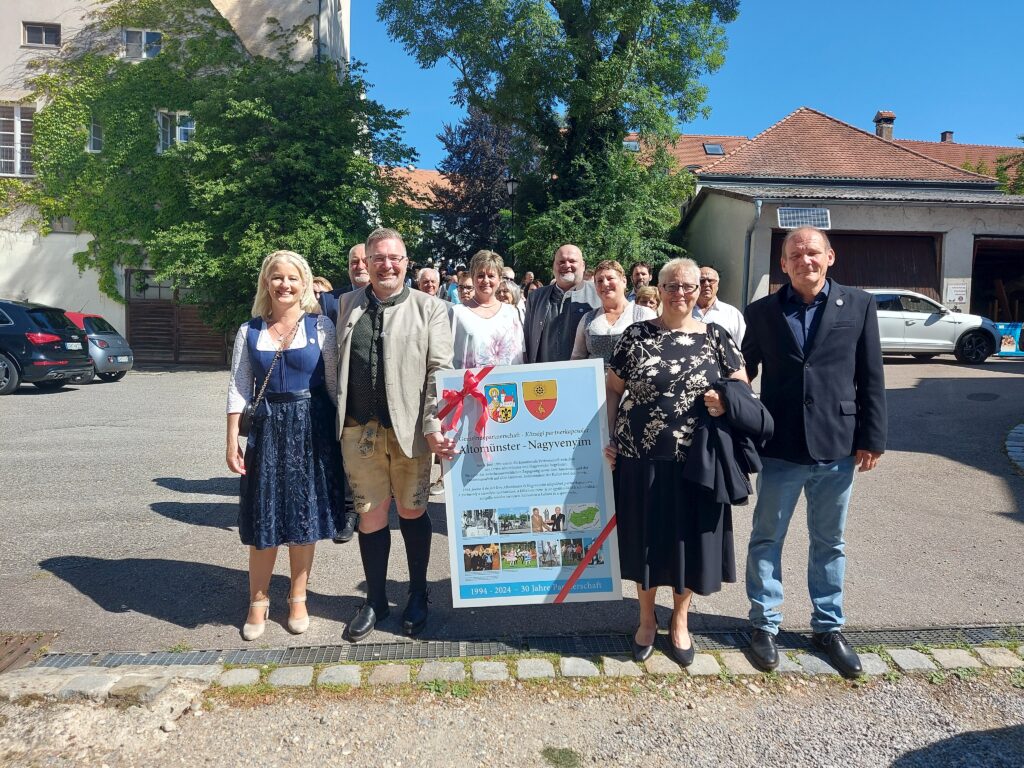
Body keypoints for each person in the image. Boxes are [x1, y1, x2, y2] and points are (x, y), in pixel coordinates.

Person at [742, 226, 887, 679]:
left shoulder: (859, 305)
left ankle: (828, 627)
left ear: (830, 257)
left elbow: (871, 374)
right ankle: (764, 624)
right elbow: (744, 371)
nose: (805, 259)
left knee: (830, 542)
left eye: (812, 252)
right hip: (780, 445)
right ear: (782, 264)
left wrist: (872, 437)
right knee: (767, 538)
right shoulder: (762, 311)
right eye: (795, 254)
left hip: (838, 446)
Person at [604, 257, 748, 666]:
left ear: (701, 288)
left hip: (698, 460)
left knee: (687, 543)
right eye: (672, 286)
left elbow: (742, 387)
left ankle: (680, 620)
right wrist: (610, 436)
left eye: (690, 285)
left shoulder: (717, 337)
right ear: (659, 289)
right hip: (639, 458)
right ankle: (647, 620)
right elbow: (613, 388)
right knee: (646, 542)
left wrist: (725, 401)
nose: (681, 293)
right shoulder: (636, 335)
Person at [335, 227, 457, 641]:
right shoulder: (346, 304)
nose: (387, 265)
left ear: (406, 262)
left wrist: (434, 424)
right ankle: (375, 600)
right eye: (378, 258)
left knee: (411, 512)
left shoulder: (431, 308)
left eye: (395, 258)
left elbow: (439, 370)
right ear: (365, 264)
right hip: (359, 431)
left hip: (411, 431)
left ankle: (419, 593)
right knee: (370, 517)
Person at [226, 250, 345, 641]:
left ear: (305, 283)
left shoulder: (322, 327)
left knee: (304, 516)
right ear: (266, 282)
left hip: (311, 429)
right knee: (265, 514)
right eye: (277, 277)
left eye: (292, 278)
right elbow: (239, 387)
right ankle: (257, 600)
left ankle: (298, 596)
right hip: (267, 431)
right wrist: (231, 440)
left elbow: (331, 386)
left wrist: (340, 436)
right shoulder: (250, 330)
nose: (285, 285)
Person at [523, 244, 601, 363]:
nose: (567, 265)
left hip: (584, 376)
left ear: (583, 265)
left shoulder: (599, 294)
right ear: (554, 266)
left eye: (572, 261)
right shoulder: (536, 297)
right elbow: (527, 338)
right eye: (561, 261)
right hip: (545, 377)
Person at [571, 260, 656, 366]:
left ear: (624, 281)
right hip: (596, 381)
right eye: (599, 281)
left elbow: (656, 355)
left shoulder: (644, 315)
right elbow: (577, 358)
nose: (605, 284)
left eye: (610, 278)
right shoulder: (588, 318)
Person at [449, 250, 525, 368]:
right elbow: (447, 357)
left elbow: (520, 356)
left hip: (507, 384)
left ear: (499, 279)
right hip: (469, 385)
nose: (485, 280)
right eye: (480, 275)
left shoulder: (511, 313)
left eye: (491, 276)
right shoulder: (457, 313)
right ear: (473, 278)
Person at [692, 266, 746, 344]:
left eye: (710, 280)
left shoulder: (732, 314)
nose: (706, 284)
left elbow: (742, 345)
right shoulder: (684, 312)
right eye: (702, 281)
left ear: (717, 285)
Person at [320, 244, 370, 326]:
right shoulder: (328, 300)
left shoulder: (386, 298)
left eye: (365, 261)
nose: (360, 266)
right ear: (348, 269)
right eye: (354, 262)